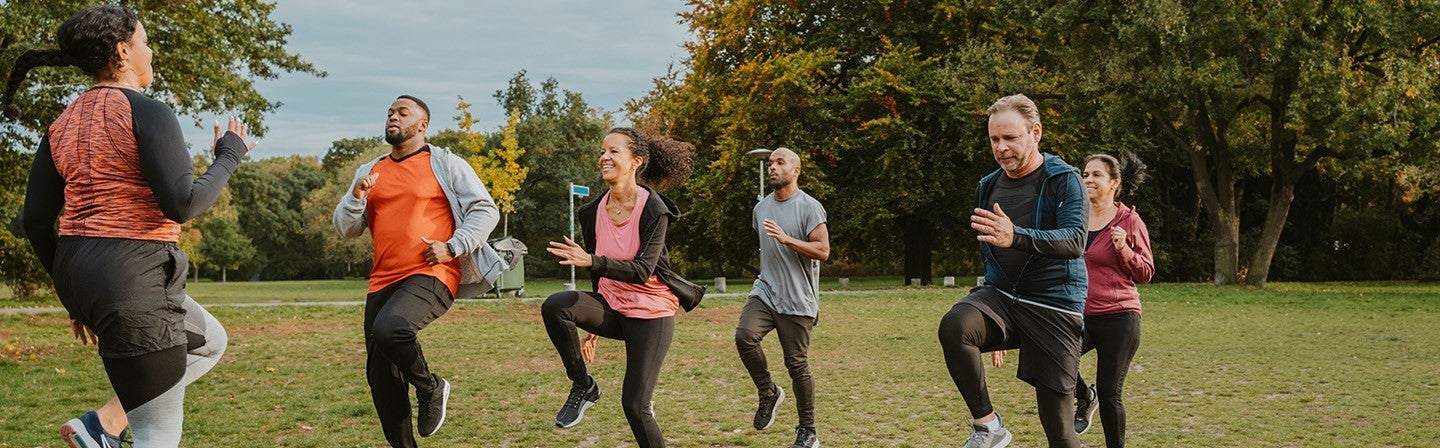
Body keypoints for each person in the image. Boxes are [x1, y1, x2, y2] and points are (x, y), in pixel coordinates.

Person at [9, 5, 251, 446]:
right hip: (132, 274)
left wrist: (74, 297)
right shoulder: (148, 111)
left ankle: (104, 423)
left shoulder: (61, 123)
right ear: (123, 52)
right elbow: (183, 203)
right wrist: (230, 155)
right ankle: (113, 425)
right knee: (158, 433)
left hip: (83, 272)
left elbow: (35, 220)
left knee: (210, 340)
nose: (150, 51)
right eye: (144, 42)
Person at [333, 95, 505, 447]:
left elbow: (486, 210)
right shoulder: (370, 171)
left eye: (402, 112)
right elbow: (346, 229)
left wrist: (453, 246)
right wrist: (355, 196)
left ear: (422, 124)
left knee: (391, 328)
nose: (392, 117)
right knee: (381, 378)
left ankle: (430, 386)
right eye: (389, 113)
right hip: (382, 279)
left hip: (432, 273)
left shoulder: (444, 162)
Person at [937, 94, 1089, 448]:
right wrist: (990, 314)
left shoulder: (1064, 179)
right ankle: (988, 426)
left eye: (1011, 138)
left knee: (1060, 432)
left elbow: (1074, 241)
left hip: (1054, 304)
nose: (1001, 148)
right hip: (1004, 297)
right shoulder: (987, 185)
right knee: (957, 326)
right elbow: (992, 251)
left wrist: (1015, 236)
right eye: (994, 139)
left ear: (1035, 132)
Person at [541, 127, 698, 448]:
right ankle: (583, 385)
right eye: (602, 151)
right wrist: (593, 323)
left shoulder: (654, 209)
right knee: (556, 306)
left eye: (614, 151)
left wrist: (591, 260)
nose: (604, 157)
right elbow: (598, 273)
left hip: (651, 314)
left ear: (636, 161)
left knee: (635, 407)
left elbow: (642, 270)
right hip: (614, 307)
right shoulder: (592, 211)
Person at [734, 147, 830, 448]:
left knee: (797, 365)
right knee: (744, 336)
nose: (772, 168)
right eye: (770, 163)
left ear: (796, 170)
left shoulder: (810, 207)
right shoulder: (760, 209)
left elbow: (823, 251)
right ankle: (768, 392)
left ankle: (808, 431)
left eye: (780, 162)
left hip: (798, 300)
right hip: (766, 291)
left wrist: (788, 239)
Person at [1071, 153, 1154, 447]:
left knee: (1110, 393)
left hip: (1120, 317)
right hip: (1080, 315)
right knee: (1052, 362)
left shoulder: (1129, 221)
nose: (1088, 180)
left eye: (1096, 175)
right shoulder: (1076, 215)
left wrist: (1124, 249)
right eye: (1085, 174)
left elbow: (1146, 272)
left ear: (1115, 183)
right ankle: (1084, 396)